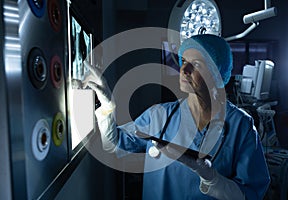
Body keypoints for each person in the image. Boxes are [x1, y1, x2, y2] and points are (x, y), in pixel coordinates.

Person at [83, 34, 270, 200]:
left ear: (217, 73)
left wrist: (211, 178)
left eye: (196, 65)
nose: (183, 69)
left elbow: (251, 194)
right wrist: (107, 106)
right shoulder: (159, 116)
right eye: (183, 61)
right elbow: (113, 146)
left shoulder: (241, 125)